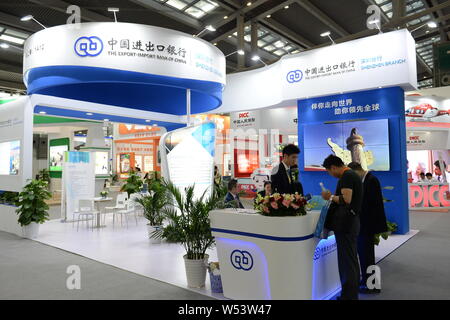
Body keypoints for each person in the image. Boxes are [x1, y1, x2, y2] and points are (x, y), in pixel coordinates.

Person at [321, 155, 363, 300]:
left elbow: (346, 200)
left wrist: (330, 197)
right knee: (349, 260)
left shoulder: (347, 176)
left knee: (347, 262)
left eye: (329, 171)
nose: (330, 175)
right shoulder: (350, 175)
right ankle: (349, 294)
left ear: (333, 167)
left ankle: (349, 296)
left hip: (346, 225)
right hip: (350, 224)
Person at [348, 162, 387, 294]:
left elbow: (371, 205)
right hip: (364, 224)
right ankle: (367, 281)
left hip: (367, 225)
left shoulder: (371, 180)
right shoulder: (366, 180)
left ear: (357, 171)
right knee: (365, 255)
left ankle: (371, 285)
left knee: (367, 256)